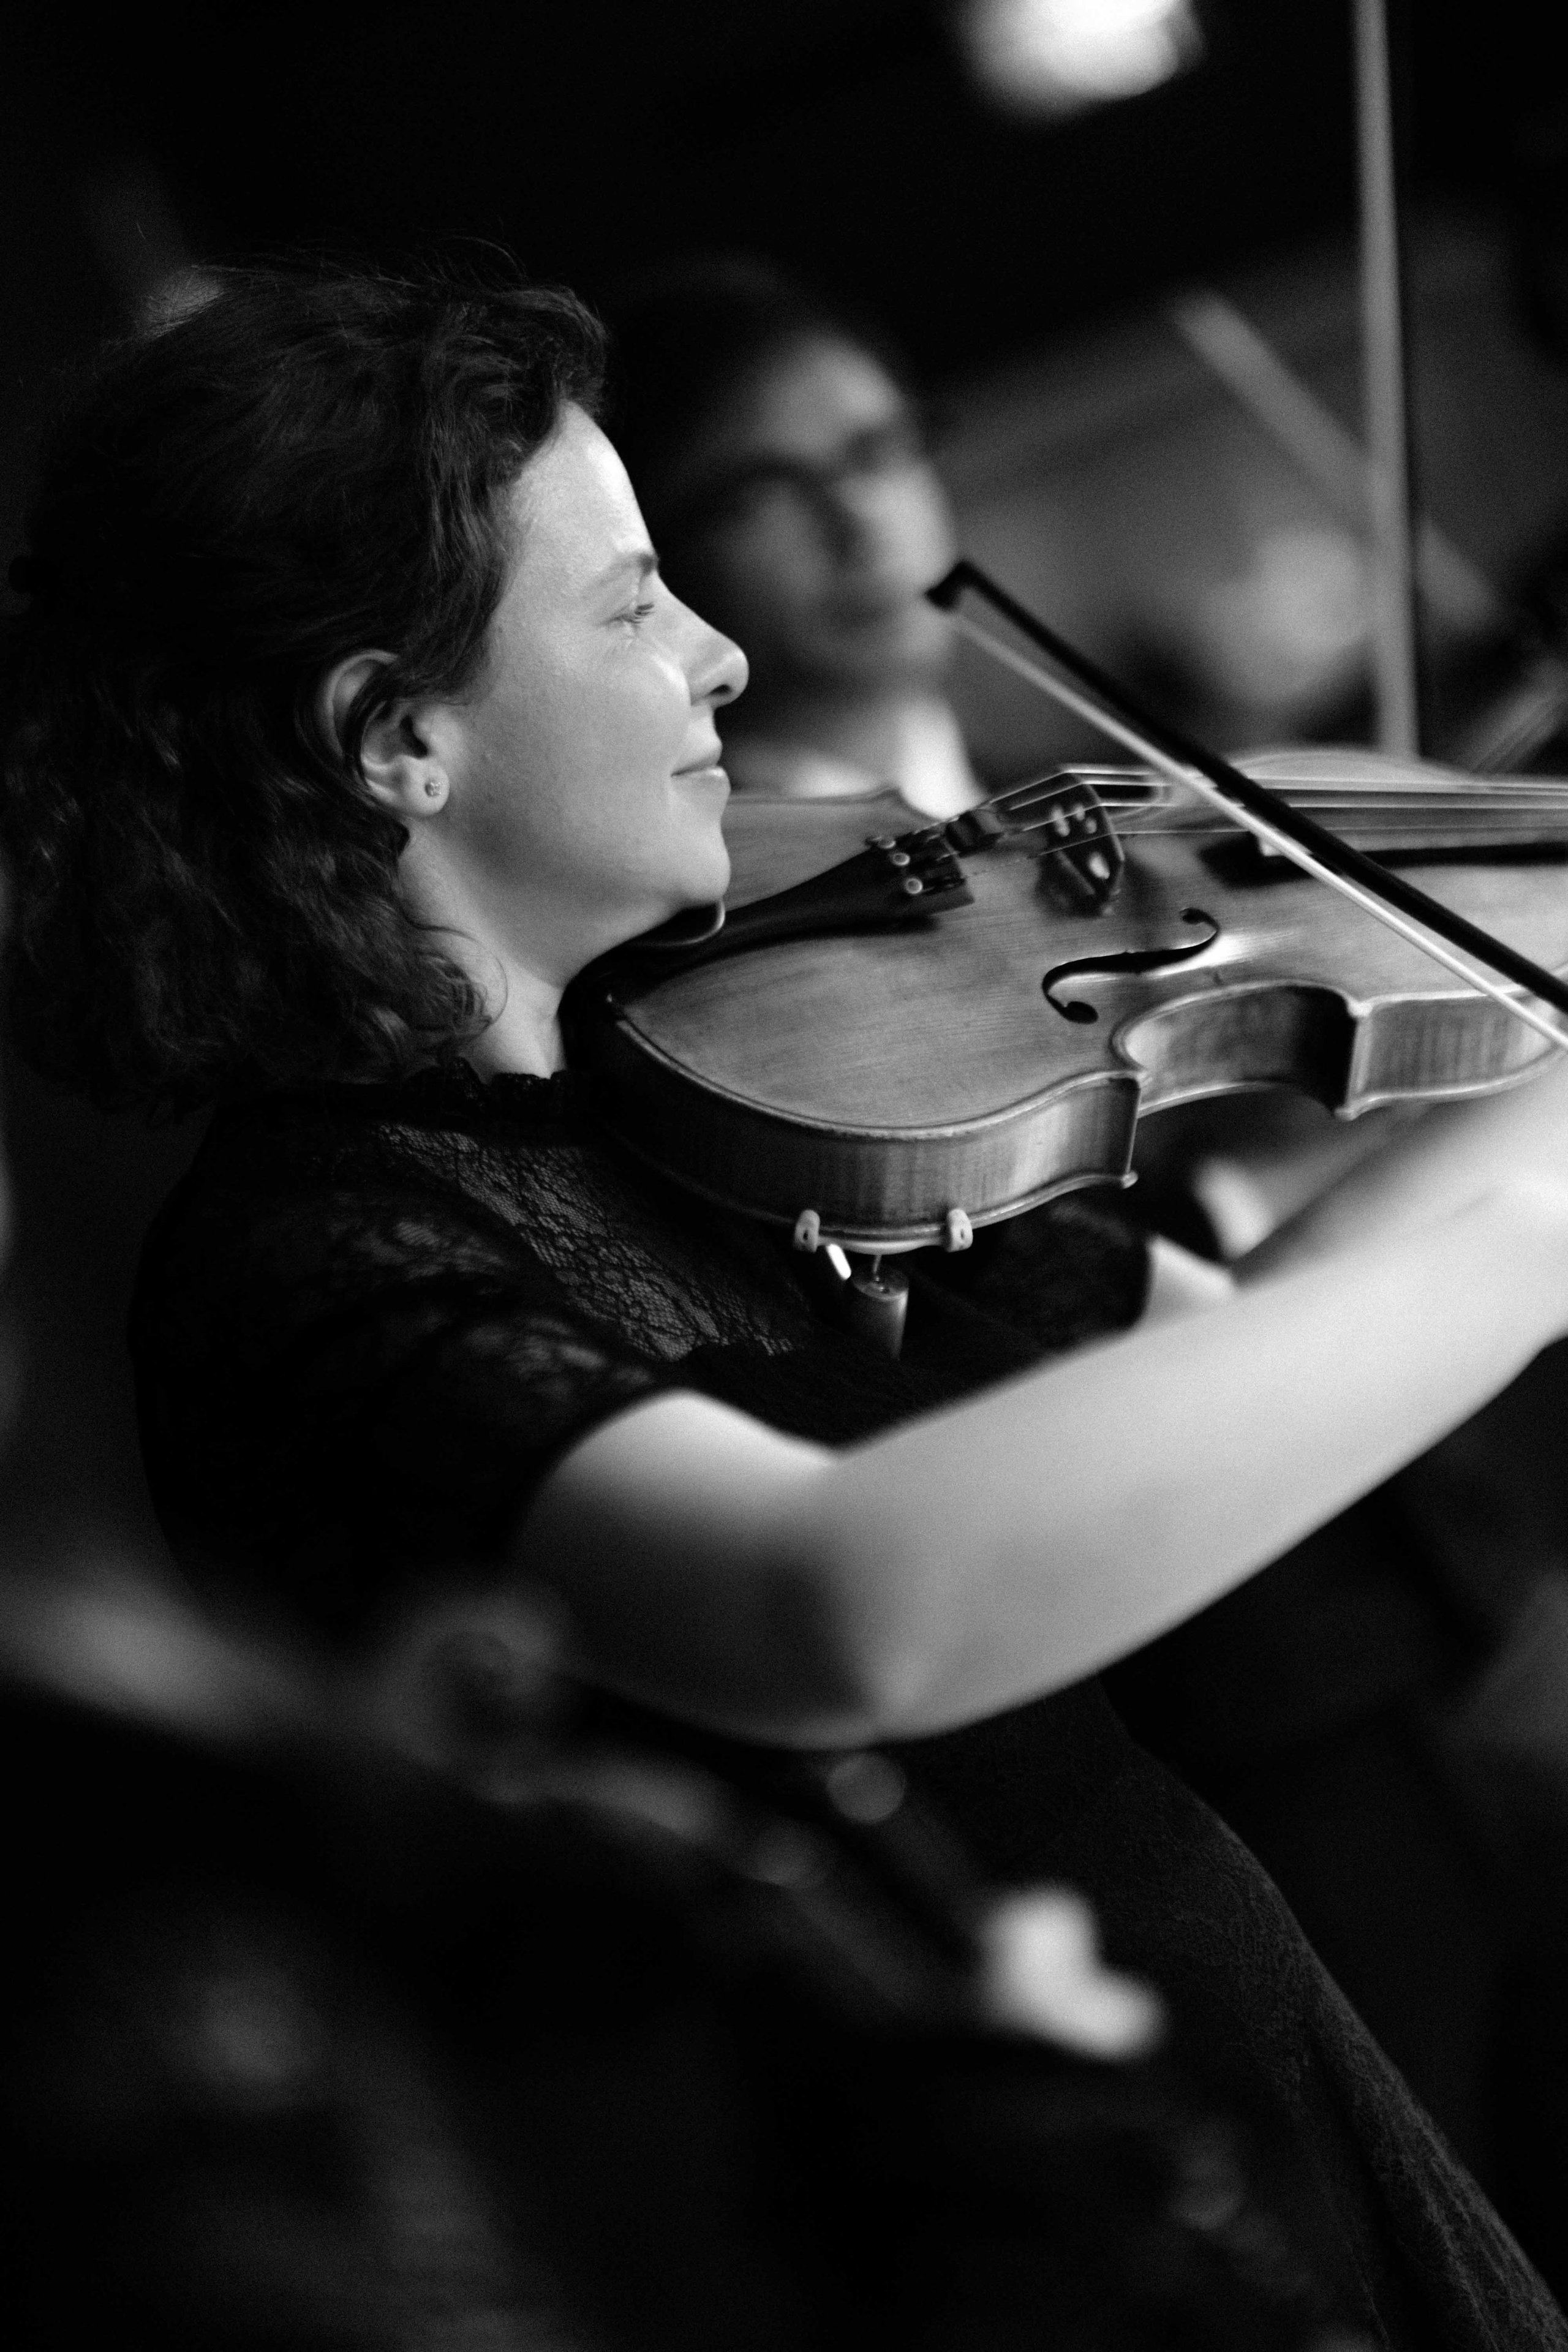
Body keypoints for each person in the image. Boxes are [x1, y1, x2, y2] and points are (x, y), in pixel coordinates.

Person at [6, 260, 1568, 2346]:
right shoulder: (309, 1269)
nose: (724, 659)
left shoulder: (741, 1099)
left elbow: (1245, 1338)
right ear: (396, 739)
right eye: (638, 603)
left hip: (1239, 2131)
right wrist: (1535, 1225)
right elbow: (845, 1605)